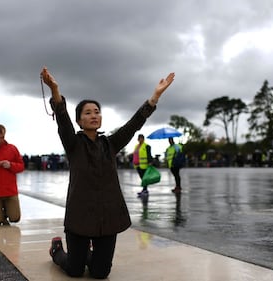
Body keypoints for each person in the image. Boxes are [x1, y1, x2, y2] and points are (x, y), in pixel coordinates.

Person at [40, 66, 175, 278]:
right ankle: (57, 250)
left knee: (100, 274)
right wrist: (55, 89)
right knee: (75, 271)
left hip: (108, 217)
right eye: (88, 113)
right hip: (80, 217)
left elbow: (133, 125)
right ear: (80, 121)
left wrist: (154, 97)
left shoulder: (110, 143)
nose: (94, 115)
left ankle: (85, 254)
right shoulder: (73, 143)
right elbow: (63, 119)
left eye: (97, 112)